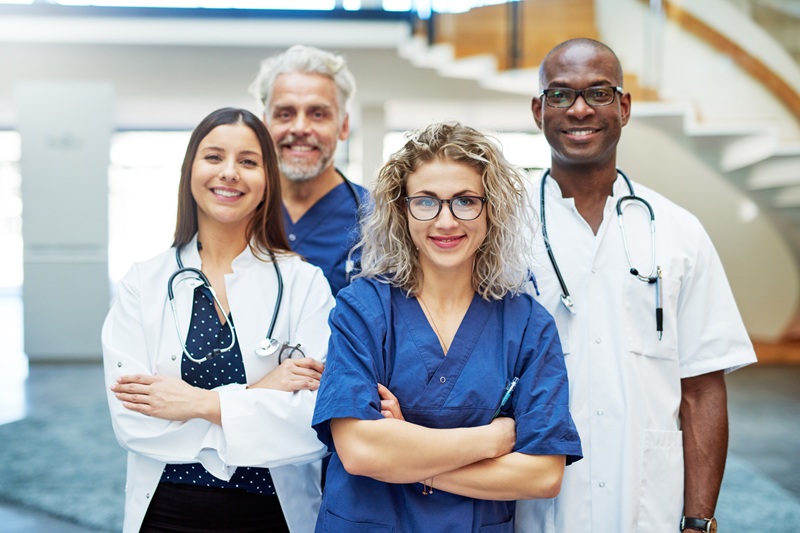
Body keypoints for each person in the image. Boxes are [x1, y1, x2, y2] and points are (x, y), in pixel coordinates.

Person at [515, 39, 758, 533]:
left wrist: (698, 519)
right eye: (560, 95)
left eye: (599, 93)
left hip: (649, 500)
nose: (580, 109)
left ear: (624, 107)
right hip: (530, 499)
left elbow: (702, 386)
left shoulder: (678, 231)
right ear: (539, 109)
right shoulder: (500, 228)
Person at [311, 122, 582, 532]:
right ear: (402, 210)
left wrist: (408, 458)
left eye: (465, 201)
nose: (446, 221)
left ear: (491, 209)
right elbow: (360, 452)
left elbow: (542, 475)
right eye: (426, 202)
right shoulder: (363, 308)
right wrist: (491, 441)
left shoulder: (527, 324)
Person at [102, 107, 334, 533]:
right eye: (213, 157)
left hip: (276, 512)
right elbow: (133, 421)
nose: (230, 173)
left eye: (248, 162)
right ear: (191, 171)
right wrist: (259, 394)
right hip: (166, 512)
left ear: (268, 183)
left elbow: (313, 425)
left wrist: (199, 403)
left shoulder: (305, 284)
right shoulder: (144, 282)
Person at [249, 44, 367, 296]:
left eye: (317, 114)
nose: (300, 128)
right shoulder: (239, 210)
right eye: (285, 114)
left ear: (343, 126)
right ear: (264, 125)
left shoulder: (378, 220)